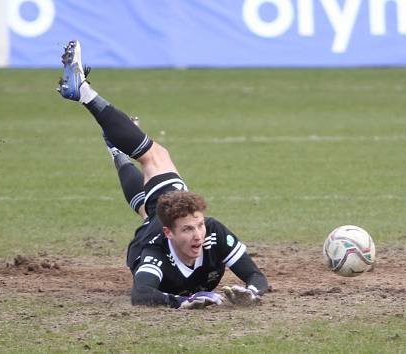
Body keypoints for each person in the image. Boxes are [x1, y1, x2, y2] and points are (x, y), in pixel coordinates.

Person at [56, 40, 269, 309]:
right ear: (170, 233)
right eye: (189, 229)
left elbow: (257, 277)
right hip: (149, 237)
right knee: (155, 158)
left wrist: (251, 292)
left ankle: (112, 142)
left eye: (199, 225)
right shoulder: (155, 252)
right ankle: (84, 94)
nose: (198, 235)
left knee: (154, 165)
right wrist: (185, 301)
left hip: (154, 226)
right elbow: (142, 295)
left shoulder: (213, 232)